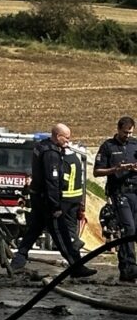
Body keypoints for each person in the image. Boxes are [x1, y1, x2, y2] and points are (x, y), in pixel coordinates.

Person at [10, 123, 96, 277]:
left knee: (34, 230)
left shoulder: (41, 146)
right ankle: (76, 266)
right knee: (61, 234)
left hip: (38, 198)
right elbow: (52, 181)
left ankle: (18, 261)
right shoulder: (51, 154)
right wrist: (55, 206)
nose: (68, 142)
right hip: (47, 202)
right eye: (66, 139)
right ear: (58, 136)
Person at [93, 115, 137, 283]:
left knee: (134, 231)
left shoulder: (135, 145)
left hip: (135, 192)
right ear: (118, 130)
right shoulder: (108, 147)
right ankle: (130, 267)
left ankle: (126, 270)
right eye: (125, 132)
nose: (128, 136)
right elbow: (97, 171)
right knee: (128, 229)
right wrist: (116, 169)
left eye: (130, 133)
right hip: (119, 192)